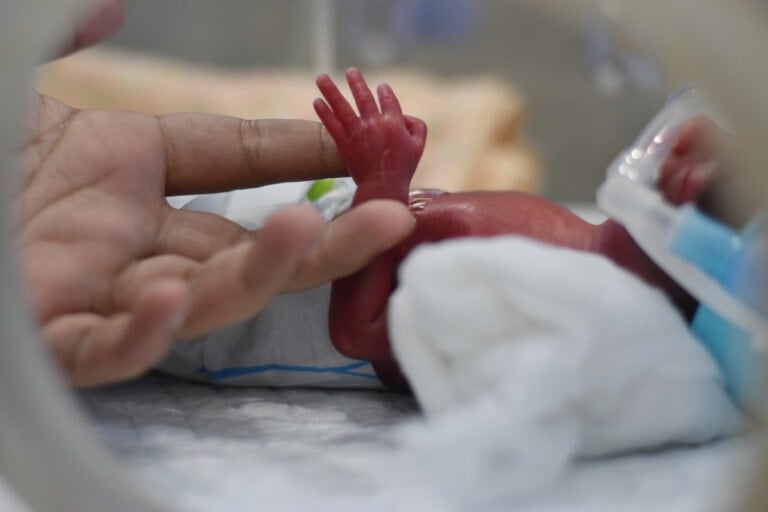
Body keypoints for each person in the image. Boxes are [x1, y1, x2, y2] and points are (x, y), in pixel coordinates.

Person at [15, 1, 416, 387]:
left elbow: (359, 335)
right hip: (267, 225)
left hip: (208, 307)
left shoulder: (449, 342)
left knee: (145, 277)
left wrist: (384, 181)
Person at [316, 68, 728, 389]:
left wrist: (382, 182)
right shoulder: (577, 240)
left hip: (292, 290)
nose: (682, 138)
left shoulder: (550, 310)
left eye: (702, 174)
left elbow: (358, 334)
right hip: (325, 213)